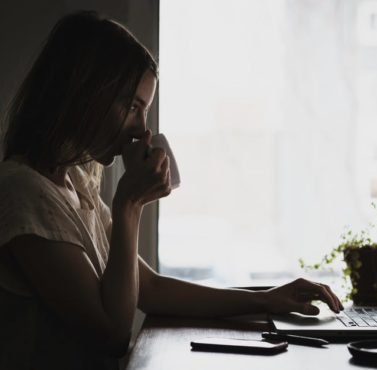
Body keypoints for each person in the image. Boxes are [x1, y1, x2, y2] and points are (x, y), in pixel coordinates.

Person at [0, 10, 343, 370]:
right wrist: (129, 204)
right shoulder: (23, 193)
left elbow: (151, 288)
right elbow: (111, 335)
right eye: (133, 107)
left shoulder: (75, 186)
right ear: (86, 92)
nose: (141, 131)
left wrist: (266, 299)